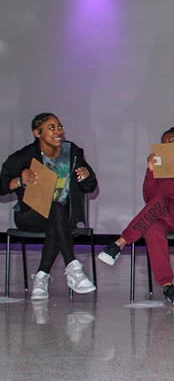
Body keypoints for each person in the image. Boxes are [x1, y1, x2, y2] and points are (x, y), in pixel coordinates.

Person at [97, 126, 174, 307]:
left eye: (171, 142)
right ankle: (168, 286)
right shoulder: (161, 169)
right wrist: (151, 171)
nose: (166, 145)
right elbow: (149, 198)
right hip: (163, 214)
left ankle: (121, 242)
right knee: (152, 227)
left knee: (162, 201)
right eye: (164, 143)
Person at [0, 113, 97, 299]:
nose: (58, 132)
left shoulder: (73, 152)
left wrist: (87, 176)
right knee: (55, 210)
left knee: (56, 213)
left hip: (63, 218)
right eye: (51, 128)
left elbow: (90, 186)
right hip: (30, 216)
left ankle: (41, 278)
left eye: (59, 126)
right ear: (37, 133)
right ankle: (73, 267)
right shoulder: (25, 156)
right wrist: (20, 181)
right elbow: (2, 184)